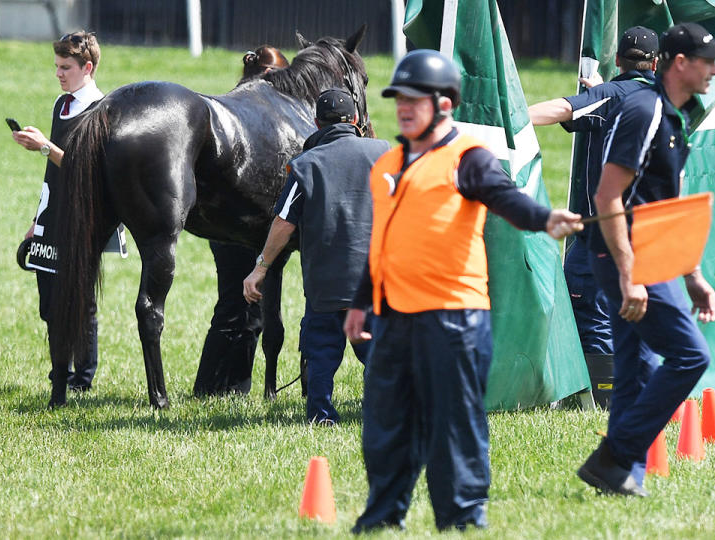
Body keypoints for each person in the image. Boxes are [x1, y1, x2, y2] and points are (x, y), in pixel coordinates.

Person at [343, 49, 583, 532]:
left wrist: (544, 218)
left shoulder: (468, 159)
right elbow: (383, 241)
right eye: (399, 99)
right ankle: (383, 516)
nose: (404, 107)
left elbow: (507, 198)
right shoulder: (386, 164)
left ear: (446, 104)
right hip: (393, 317)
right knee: (385, 427)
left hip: (453, 320)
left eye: (416, 99)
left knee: (455, 429)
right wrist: (361, 303)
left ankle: (462, 518)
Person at [577, 22, 715, 497]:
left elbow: (666, 204)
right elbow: (607, 197)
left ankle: (622, 476)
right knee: (690, 356)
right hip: (627, 256)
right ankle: (616, 454)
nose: (714, 69)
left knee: (637, 368)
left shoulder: (678, 113)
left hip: (653, 253)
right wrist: (629, 277)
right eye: (707, 61)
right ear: (679, 63)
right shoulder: (643, 110)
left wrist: (693, 274)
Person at [243, 88, 390, 424]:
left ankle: (321, 414)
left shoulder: (306, 165)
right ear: (355, 120)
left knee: (321, 353)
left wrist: (260, 268)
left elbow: (283, 223)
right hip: (376, 282)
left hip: (326, 286)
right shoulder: (385, 154)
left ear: (315, 123)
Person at [528, 26, 659, 360]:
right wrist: (603, 92)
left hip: (604, 233)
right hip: (652, 231)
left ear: (617, 60)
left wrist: (512, 117)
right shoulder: (663, 98)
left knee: (591, 315)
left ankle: (606, 397)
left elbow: (562, 109)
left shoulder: (612, 96)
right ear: (656, 64)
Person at [193, 46, 291, 397]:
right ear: (270, 77)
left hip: (219, 222)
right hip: (247, 227)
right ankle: (228, 388)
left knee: (231, 303)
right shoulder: (263, 112)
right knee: (246, 308)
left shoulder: (239, 103)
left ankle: (214, 387)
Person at [12, 31, 106, 393]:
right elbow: (55, 171)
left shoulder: (100, 109)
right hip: (53, 215)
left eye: (65, 67)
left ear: (88, 67)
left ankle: (81, 379)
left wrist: (44, 146)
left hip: (82, 219)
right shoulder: (61, 104)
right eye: (56, 66)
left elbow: (87, 171)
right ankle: (59, 373)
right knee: (49, 302)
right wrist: (38, 219)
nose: (58, 74)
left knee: (79, 300)